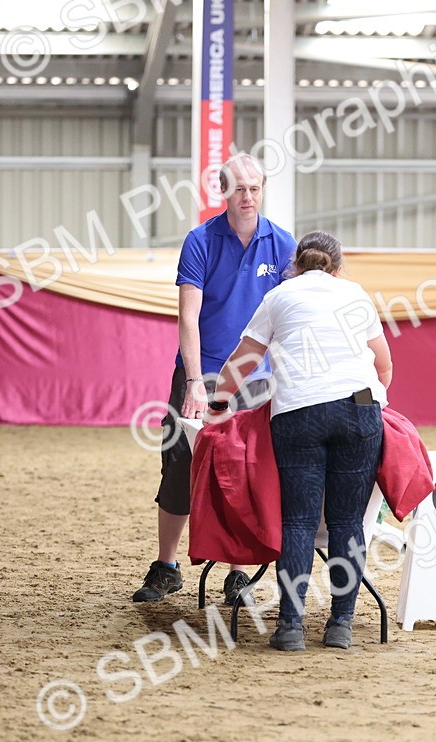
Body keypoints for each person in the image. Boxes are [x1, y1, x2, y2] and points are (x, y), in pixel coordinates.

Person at [208, 231, 393, 651]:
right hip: (359, 407)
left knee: (299, 522)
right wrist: (376, 402)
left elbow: (244, 359)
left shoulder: (280, 296)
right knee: (347, 523)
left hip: (298, 410)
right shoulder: (356, 294)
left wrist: (219, 403)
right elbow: (384, 366)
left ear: (296, 264)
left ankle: (290, 626)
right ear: (338, 266)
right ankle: (341, 624)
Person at [132, 154, 297, 606]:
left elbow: (288, 317)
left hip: (256, 379)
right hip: (201, 373)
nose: (248, 197)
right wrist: (194, 383)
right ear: (223, 192)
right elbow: (189, 318)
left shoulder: (283, 244)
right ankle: (166, 567)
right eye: (239, 188)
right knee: (179, 466)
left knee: (245, 473)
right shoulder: (200, 241)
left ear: (264, 190)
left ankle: (238, 574)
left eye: (255, 188)